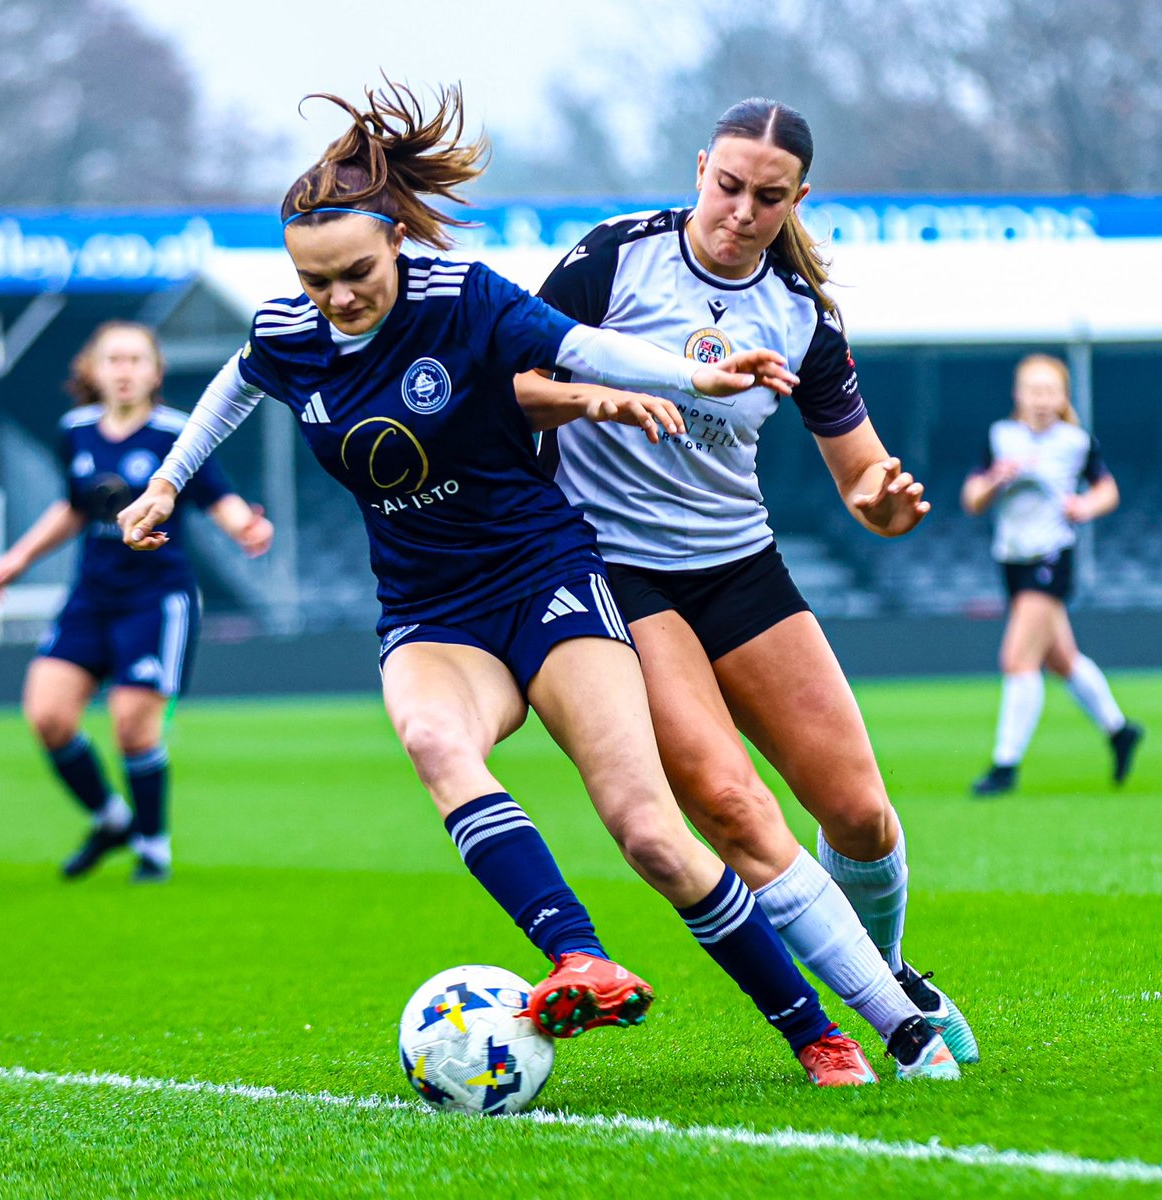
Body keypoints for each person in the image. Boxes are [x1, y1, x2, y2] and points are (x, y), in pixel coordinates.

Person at [116, 82, 948, 1084]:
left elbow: (579, 354)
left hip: (633, 568)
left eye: (766, 196)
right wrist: (168, 482)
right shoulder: (335, 319)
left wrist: (732, 409)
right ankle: (598, 960)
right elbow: (272, 374)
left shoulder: (480, 296)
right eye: (314, 279)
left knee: (754, 822)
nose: (336, 300)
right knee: (570, 772)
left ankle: (859, 1008)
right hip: (513, 589)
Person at [518, 96, 978, 1067]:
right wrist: (607, 392)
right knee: (731, 804)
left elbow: (863, 477)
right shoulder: (613, 260)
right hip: (615, 568)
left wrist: (887, 506)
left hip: (738, 566)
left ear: (797, 199)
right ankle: (883, 1034)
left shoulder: (801, 312)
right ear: (699, 171)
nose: (741, 210)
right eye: (727, 186)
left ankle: (886, 975)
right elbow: (510, 379)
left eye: (768, 197)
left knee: (859, 814)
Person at [0, 321, 274, 882]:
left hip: (157, 600)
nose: (125, 370)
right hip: (91, 596)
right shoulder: (76, 430)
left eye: (137, 360)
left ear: (156, 372)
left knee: (133, 728)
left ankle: (153, 846)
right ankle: (113, 820)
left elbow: (219, 498)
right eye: (114, 360)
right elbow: (74, 508)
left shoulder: (176, 434)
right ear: (93, 370)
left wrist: (245, 529)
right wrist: (16, 560)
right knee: (48, 718)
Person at [962, 353, 1144, 796]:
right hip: (1011, 558)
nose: (1042, 399)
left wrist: (1084, 506)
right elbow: (972, 499)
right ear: (1018, 395)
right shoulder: (1000, 437)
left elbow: (1107, 489)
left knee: (1018, 659)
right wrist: (994, 481)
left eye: (1051, 391)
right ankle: (1120, 731)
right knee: (1061, 659)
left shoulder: (1075, 441)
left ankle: (1005, 766)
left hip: (1051, 557)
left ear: (1063, 396)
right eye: (1034, 390)